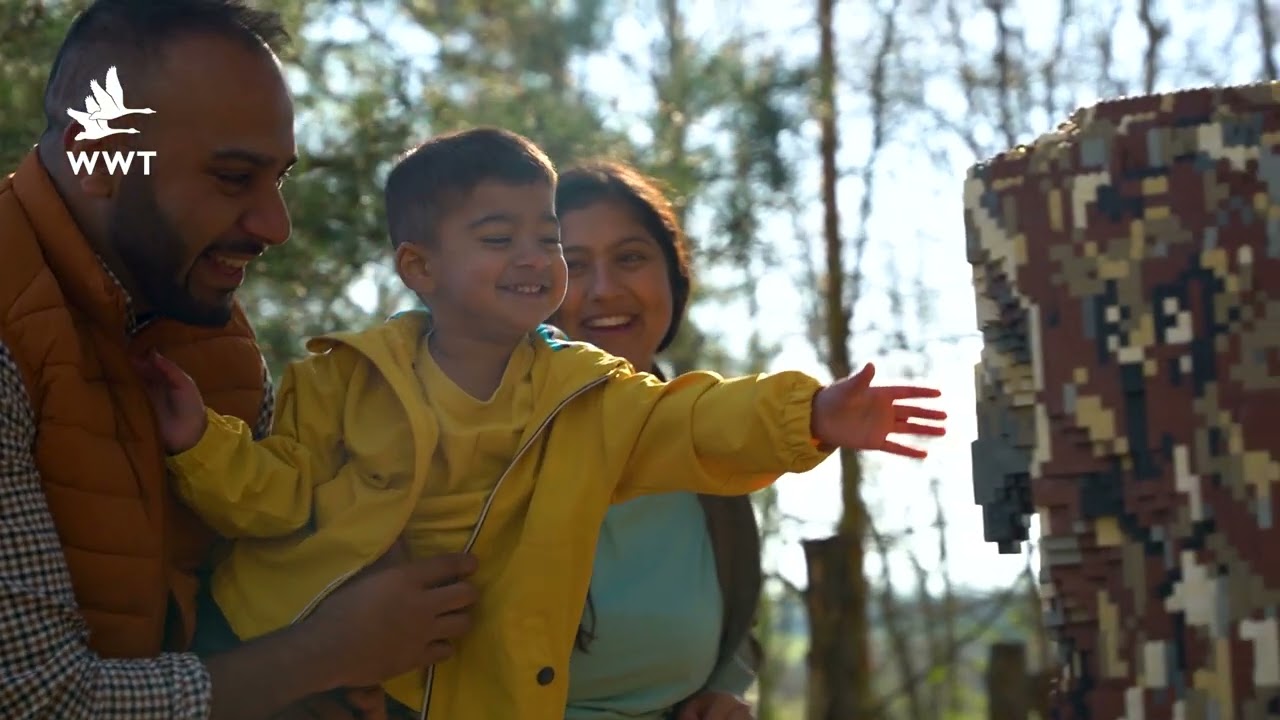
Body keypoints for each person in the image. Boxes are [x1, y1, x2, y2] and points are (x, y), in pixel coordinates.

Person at [133, 126, 949, 720]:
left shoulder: (589, 395)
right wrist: (200, 445)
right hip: (308, 676)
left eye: (544, 239)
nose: (536, 258)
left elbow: (693, 422)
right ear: (421, 267)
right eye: (500, 238)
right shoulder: (345, 377)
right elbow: (279, 499)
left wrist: (806, 411)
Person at [0, 2, 477, 718]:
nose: (275, 226)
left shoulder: (206, 330)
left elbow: (250, 599)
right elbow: (38, 700)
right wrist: (328, 652)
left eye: (279, 179)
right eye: (232, 178)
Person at [552, 161, 763, 720]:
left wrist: (727, 689)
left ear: (673, 276)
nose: (605, 290)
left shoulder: (710, 436)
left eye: (630, 258)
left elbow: (732, 619)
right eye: (573, 266)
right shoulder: (481, 440)